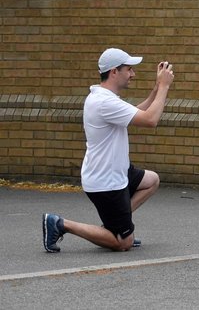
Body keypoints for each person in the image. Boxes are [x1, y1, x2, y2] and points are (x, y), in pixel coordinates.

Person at [42, 48, 174, 253]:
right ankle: (61, 224)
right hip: (106, 181)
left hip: (117, 171)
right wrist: (165, 86)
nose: (133, 74)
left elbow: (138, 113)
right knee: (123, 244)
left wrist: (156, 89)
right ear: (114, 72)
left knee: (151, 180)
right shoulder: (104, 102)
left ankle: (117, 226)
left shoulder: (105, 98)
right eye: (129, 69)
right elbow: (150, 119)